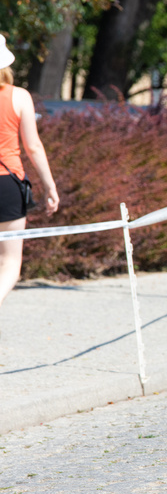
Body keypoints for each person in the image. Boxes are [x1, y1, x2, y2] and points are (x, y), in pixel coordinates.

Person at [0, 34, 60, 307]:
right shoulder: (20, 97)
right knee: (9, 263)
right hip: (8, 185)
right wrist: (49, 186)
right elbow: (33, 147)